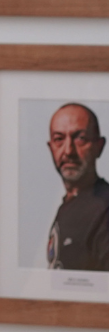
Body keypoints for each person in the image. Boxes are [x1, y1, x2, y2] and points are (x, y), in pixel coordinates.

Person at [45, 104, 109, 270]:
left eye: (80, 138)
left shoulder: (104, 208)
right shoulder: (67, 206)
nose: (68, 151)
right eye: (59, 139)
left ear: (99, 146)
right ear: (51, 147)